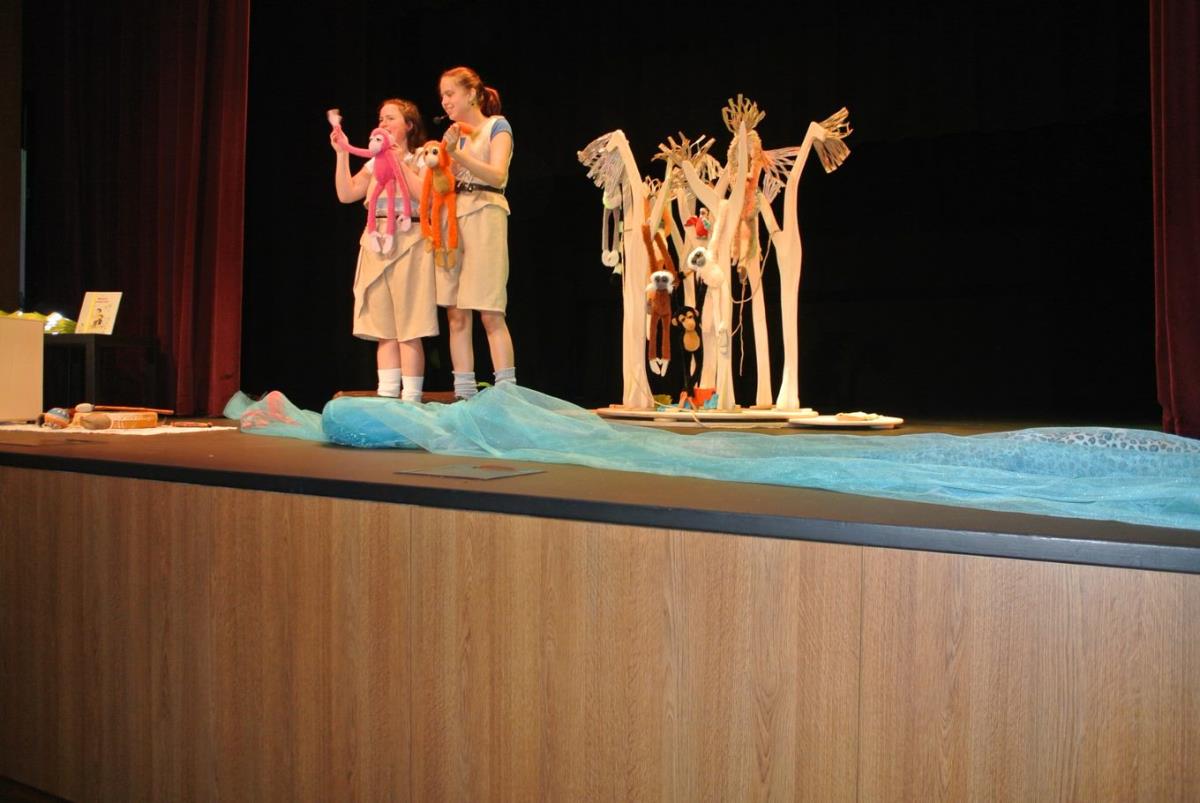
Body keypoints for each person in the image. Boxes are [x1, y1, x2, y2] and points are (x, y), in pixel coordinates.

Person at [331, 98, 435, 401]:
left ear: (409, 125)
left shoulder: (421, 157)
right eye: (381, 118)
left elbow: (424, 196)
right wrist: (341, 154)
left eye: (390, 118)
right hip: (377, 240)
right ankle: (388, 396)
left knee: (410, 327)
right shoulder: (374, 162)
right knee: (384, 328)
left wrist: (399, 159)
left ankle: (411, 399)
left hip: (410, 239)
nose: (383, 123)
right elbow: (346, 193)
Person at [437, 66, 516, 399]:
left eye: (450, 93)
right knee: (456, 312)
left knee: (489, 310)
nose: (445, 101)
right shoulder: (453, 136)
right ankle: (463, 392)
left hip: (485, 212)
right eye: (442, 96)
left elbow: (497, 175)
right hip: (454, 218)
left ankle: (507, 394)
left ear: (471, 94)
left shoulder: (496, 126)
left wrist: (457, 154)